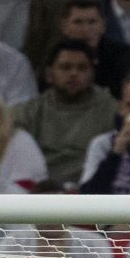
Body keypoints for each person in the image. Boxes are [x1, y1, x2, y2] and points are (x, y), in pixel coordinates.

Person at [12, 39, 117, 189]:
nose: (74, 74)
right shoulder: (29, 112)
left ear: (92, 74)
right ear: (49, 74)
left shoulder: (111, 110)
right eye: (65, 67)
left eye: (82, 68)